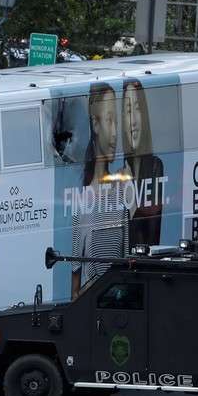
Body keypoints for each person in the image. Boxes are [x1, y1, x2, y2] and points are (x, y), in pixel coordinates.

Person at [71, 82, 129, 299]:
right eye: (109, 120)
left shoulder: (123, 189)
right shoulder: (81, 199)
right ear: (95, 124)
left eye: (117, 121)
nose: (115, 133)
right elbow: (75, 275)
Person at [121, 79, 165, 246]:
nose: (132, 121)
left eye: (137, 109)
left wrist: (132, 202)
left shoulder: (155, 167)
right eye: (128, 111)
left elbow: (152, 238)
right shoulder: (119, 174)